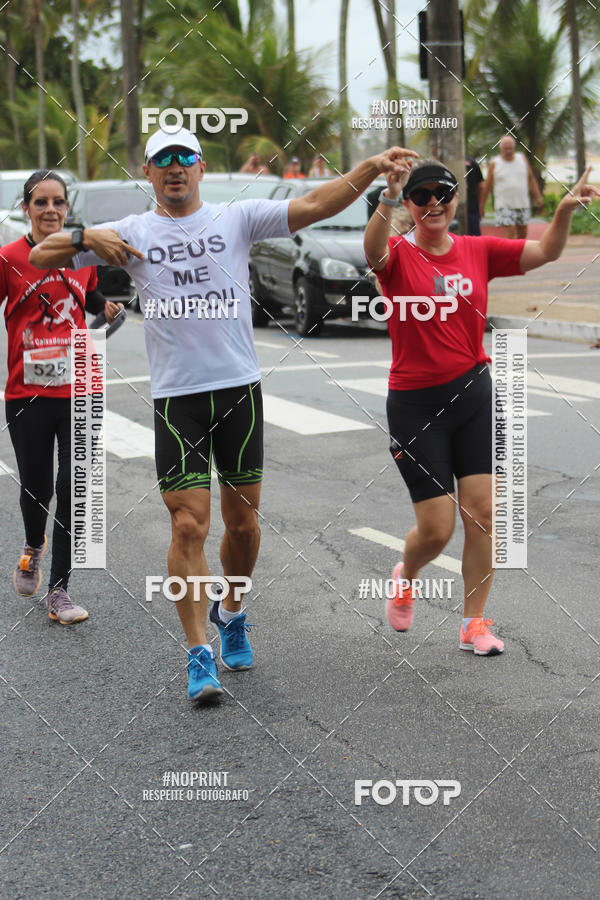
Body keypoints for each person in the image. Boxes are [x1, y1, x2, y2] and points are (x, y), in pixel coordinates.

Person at [29, 127, 418, 701]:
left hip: (238, 392)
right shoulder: (132, 232)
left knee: (243, 526)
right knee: (188, 525)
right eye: (163, 160)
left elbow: (313, 204)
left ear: (202, 167)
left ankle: (232, 608)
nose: (175, 168)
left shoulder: (236, 219)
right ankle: (197, 655)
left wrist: (371, 169)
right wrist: (89, 237)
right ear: (149, 171)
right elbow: (40, 254)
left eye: (185, 157)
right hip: (177, 400)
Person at [364, 158, 598, 655]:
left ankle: (474, 623)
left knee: (485, 514)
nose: (433, 204)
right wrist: (386, 195)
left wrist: (561, 213)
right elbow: (373, 250)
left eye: (443, 195)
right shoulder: (400, 255)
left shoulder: (478, 250)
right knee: (436, 529)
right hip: (414, 404)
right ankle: (406, 574)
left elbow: (547, 251)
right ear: (409, 204)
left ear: (456, 202)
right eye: (422, 196)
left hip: (473, 393)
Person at [1, 170, 122, 624]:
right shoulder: (9, 257)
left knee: (74, 490)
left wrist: (105, 308)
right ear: (26, 208)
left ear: (68, 209)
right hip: (26, 394)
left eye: (59, 202)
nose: (51, 210)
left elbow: (89, 298)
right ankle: (33, 542)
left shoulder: (81, 257)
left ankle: (59, 591)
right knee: (37, 487)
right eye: (41, 202)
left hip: (78, 389)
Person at [480, 135, 544, 239]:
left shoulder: (522, 158)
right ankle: (510, 255)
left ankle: (520, 254)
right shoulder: (495, 163)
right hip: (504, 205)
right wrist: (482, 206)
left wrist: (538, 196)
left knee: (522, 233)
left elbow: (531, 178)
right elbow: (487, 186)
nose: (509, 151)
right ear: (500, 149)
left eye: (511, 148)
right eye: (506, 148)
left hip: (522, 203)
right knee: (510, 232)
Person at [465, 155, 484, 236]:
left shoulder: (472, 163)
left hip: (471, 208)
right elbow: (481, 186)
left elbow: (480, 186)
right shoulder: (473, 162)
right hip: (472, 207)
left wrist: (480, 206)